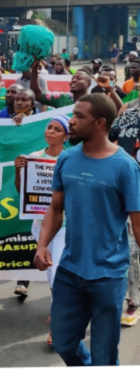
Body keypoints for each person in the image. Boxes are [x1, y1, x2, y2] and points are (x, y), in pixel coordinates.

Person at [35, 94, 140, 366]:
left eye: (80, 116)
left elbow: (137, 222)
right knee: (63, 341)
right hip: (70, 270)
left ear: (100, 123)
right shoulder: (67, 159)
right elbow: (56, 209)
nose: (71, 121)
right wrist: (42, 245)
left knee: (105, 355)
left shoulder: (126, 166)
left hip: (108, 275)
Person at [13, 115, 70, 345]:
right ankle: (62, 309)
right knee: (49, 271)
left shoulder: (70, 158)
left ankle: (60, 324)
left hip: (65, 225)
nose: (51, 132)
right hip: (39, 225)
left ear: (66, 136)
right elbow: (22, 192)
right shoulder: (34, 158)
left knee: (56, 273)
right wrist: (18, 171)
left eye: (57, 130)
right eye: (49, 127)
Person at [108, 98, 140, 327]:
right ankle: (131, 299)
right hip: (124, 182)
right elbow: (109, 137)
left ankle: (134, 298)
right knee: (129, 246)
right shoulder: (129, 108)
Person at [31, 61, 123, 112]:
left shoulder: (96, 101)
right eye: (73, 78)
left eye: (79, 78)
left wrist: (108, 88)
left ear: (88, 84)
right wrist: (34, 71)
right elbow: (37, 94)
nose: (74, 80)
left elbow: (122, 111)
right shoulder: (62, 98)